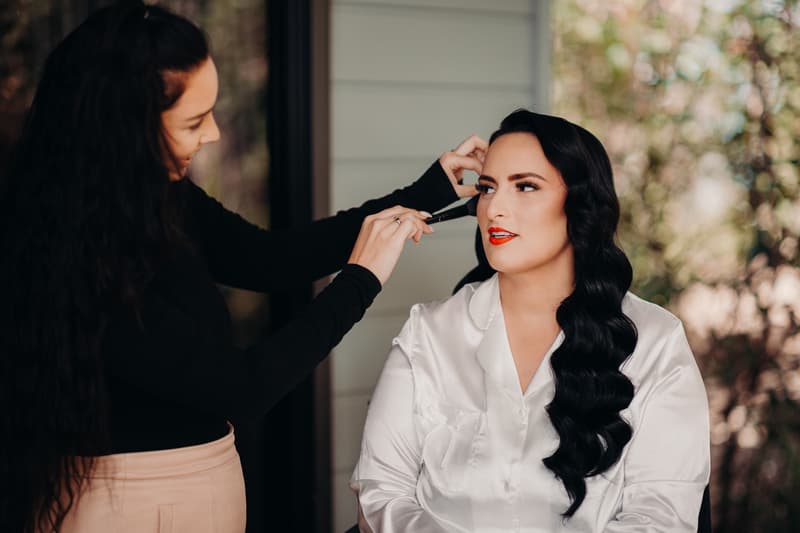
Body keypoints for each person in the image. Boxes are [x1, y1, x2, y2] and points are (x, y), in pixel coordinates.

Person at [0, 2, 488, 532]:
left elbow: (269, 258)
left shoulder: (152, 195)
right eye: (193, 120)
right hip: (139, 505)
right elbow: (242, 388)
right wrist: (360, 281)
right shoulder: (82, 249)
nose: (211, 134)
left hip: (185, 488)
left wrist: (427, 190)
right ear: (126, 128)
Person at [350, 109, 711, 532]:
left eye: (525, 186)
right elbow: (381, 493)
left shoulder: (655, 342)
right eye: (487, 188)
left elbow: (661, 518)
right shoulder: (428, 333)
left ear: (579, 204)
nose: (494, 208)